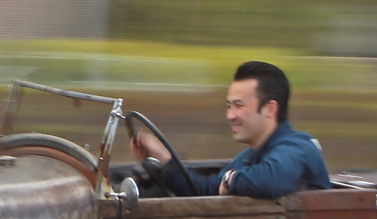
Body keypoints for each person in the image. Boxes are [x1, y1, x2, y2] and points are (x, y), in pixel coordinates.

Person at [131, 61, 330, 198]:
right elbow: (206, 191)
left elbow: (273, 181)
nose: (230, 115)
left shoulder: (298, 147)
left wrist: (231, 180)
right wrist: (165, 160)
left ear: (270, 108)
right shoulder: (250, 156)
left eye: (239, 105)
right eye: (229, 106)